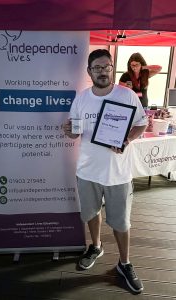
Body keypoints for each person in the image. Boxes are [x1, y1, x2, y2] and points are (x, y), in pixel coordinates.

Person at [63, 49, 147, 294]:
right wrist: (69, 132)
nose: (102, 71)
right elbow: (75, 130)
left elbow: (141, 123)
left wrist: (127, 140)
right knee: (91, 213)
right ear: (89, 71)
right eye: (97, 67)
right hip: (87, 170)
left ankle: (124, 263)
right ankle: (96, 247)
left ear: (112, 68)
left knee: (121, 222)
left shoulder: (127, 95)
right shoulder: (81, 98)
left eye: (106, 66)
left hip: (118, 173)